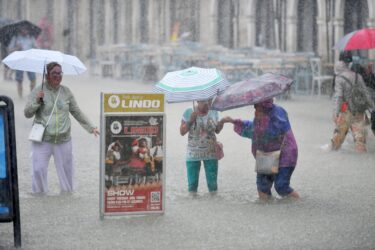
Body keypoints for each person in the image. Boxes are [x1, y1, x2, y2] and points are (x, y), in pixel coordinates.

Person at [24, 62, 99, 193]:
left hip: (63, 139)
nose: (58, 76)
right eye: (54, 73)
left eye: (60, 73)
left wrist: (92, 127)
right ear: (47, 75)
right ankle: (40, 197)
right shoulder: (38, 91)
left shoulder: (66, 91)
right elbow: (27, 113)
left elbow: (77, 112)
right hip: (42, 139)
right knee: (38, 170)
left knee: (67, 174)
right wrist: (37, 101)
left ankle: (67, 199)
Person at [220, 99, 299, 201]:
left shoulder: (278, 112)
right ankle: (267, 211)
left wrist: (264, 119)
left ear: (265, 107)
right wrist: (233, 121)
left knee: (281, 186)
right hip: (267, 153)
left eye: (257, 107)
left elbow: (276, 131)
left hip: (286, 153)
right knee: (263, 187)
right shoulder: (259, 119)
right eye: (254, 107)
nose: (255, 111)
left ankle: (297, 204)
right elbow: (252, 129)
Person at [331, 51, 375, 152]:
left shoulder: (339, 77)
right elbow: (366, 93)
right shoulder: (357, 76)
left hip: (345, 111)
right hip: (359, 111)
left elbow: (338, 97)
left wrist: (335, 113)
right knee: (360, 141)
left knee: (336, 142)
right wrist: (372, 108)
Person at [180, 100, 224, 194]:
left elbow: (217, 130)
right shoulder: (189, 111)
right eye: (204, 101)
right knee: (192, 186)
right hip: (193, 153)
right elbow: (182, 132)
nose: (207, 103)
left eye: (210, 100)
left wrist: (222, 123)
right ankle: (193, 207)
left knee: (213, 186)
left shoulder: (214, 111)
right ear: (198, 100)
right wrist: (190, 120)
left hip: (211, 152)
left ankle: (213, 207)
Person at [8, 27, 37, 97]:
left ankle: (31, 95)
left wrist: (33, 51)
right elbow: (10, 49)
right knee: (19, 79)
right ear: (20, 29)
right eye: (24, 29)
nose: (25, 30)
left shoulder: (31, 38)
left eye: (26, 29)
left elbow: (36, 48)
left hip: (29, 60)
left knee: (33, 78)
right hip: (19, 61)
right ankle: (20, 96)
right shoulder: (16, 38)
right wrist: (16, 48)